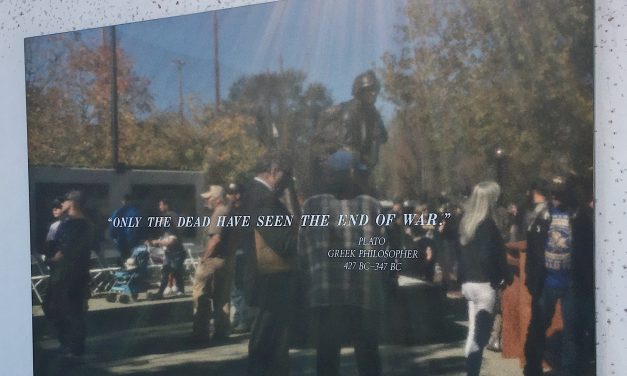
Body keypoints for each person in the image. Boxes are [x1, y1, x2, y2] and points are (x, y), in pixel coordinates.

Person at [298, 150, 384, 376]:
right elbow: (382, 250)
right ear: (352, 173)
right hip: (362, 293)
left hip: (325, 296)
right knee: (368, 356)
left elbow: (303, 252)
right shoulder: (371, 205)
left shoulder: (311, 206)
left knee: (326, 356)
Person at [243, 153, 298, 376]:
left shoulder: (253, 195)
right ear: (273, 171)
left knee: (271, 348)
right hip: (270, 286)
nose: (289, 181)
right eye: (287, 176)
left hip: (266, 283)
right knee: (267, 347)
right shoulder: (263, 199)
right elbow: (283, 242)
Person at [524, 178, 579, 376]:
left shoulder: (578, 215)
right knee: (538, 326)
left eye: (560, 193)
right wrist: (531, 279)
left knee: (572, 330)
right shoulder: (541, 216)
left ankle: (569, 370)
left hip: (571, 282)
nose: (555, 197)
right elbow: (532, 250)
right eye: (553, 193)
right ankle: (532, 368)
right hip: (546, 281)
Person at [458, 181, 512, 376]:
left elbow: (462, 254)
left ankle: (470, 371)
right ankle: (472, 372)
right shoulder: (489, 225)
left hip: (468, 283)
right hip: (484, 284)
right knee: (480, 337)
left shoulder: (466, 222)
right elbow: (495, 255)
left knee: (473, 332)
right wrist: (503, 277)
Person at [312, 70, 388, 193]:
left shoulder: (374, 115)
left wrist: (375, 136)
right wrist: (323, 147)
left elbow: (383, 137)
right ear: (360, 90)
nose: (374, 94)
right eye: (370, 90)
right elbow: (322, 118)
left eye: (376, 90)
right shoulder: (342, 108)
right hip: (341, 158)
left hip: (362, 162)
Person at [42, 190, 94, 362]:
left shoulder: (78, 224)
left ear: (72, 203)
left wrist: (52, 259)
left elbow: (67, 250)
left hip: (71, 275)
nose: (61, 205)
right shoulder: (72, 223)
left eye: (64, 202)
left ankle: (74, 349)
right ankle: (69, 344)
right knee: (53, 307)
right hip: (66, 274)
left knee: (72, 312)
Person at [192, 185, 233, 343]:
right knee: (222, 298)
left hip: (213, 260)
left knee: (200, 295)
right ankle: (222, 332)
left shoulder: (218, 213)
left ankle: (200, 334)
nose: (206, 200)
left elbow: (216, 239)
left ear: (217, 199)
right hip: (225, 260)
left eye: (208, 198)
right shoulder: (229, 212)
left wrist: (204, 257)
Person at [147, 199, 186, 300]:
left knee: (175, 271)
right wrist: (156, 241)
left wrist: (159, 242)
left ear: (166, 205)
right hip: (170, 250)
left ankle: (180, 290)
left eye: (161, 205)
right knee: (166, 271)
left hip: (176, 251)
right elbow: (166, 234)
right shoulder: (166, 218)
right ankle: (161, 293)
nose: (159, 207)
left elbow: (175, 235)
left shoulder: (172, 216)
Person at [109, 194, 142, 263]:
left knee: (125, 258)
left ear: (122, 201)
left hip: (121, 239)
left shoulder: (117, 212)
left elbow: (113, 226)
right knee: (133, 260)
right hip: (132, 240)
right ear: (131, 201)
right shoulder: (135, 212)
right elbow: (138, 226)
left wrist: (114, 237)